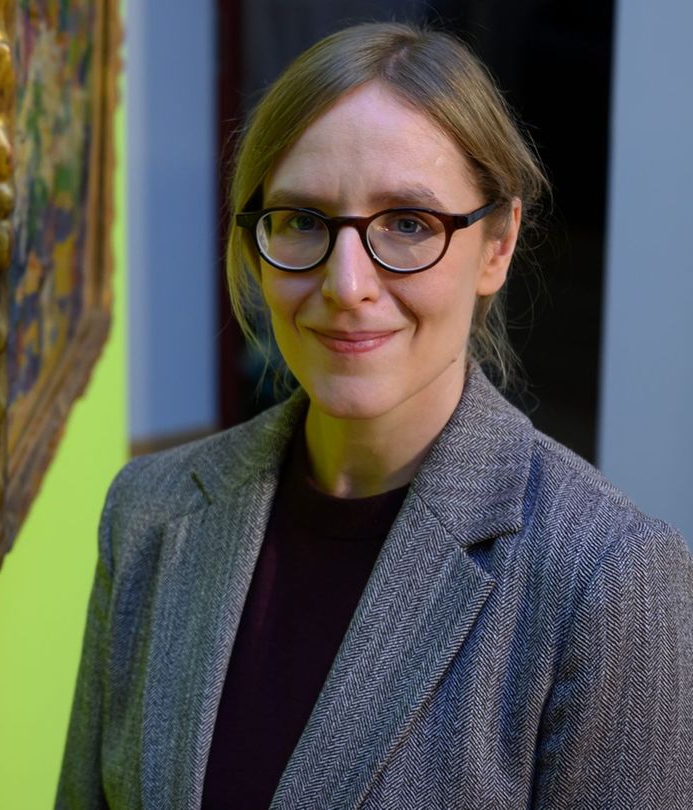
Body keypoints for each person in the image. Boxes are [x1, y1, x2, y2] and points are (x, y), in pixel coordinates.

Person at [57, 21, 693, 809]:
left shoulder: (607, 580)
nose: (347, 282)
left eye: (407, 223)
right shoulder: (150, 514)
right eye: (302, 221)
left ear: (497, 244)